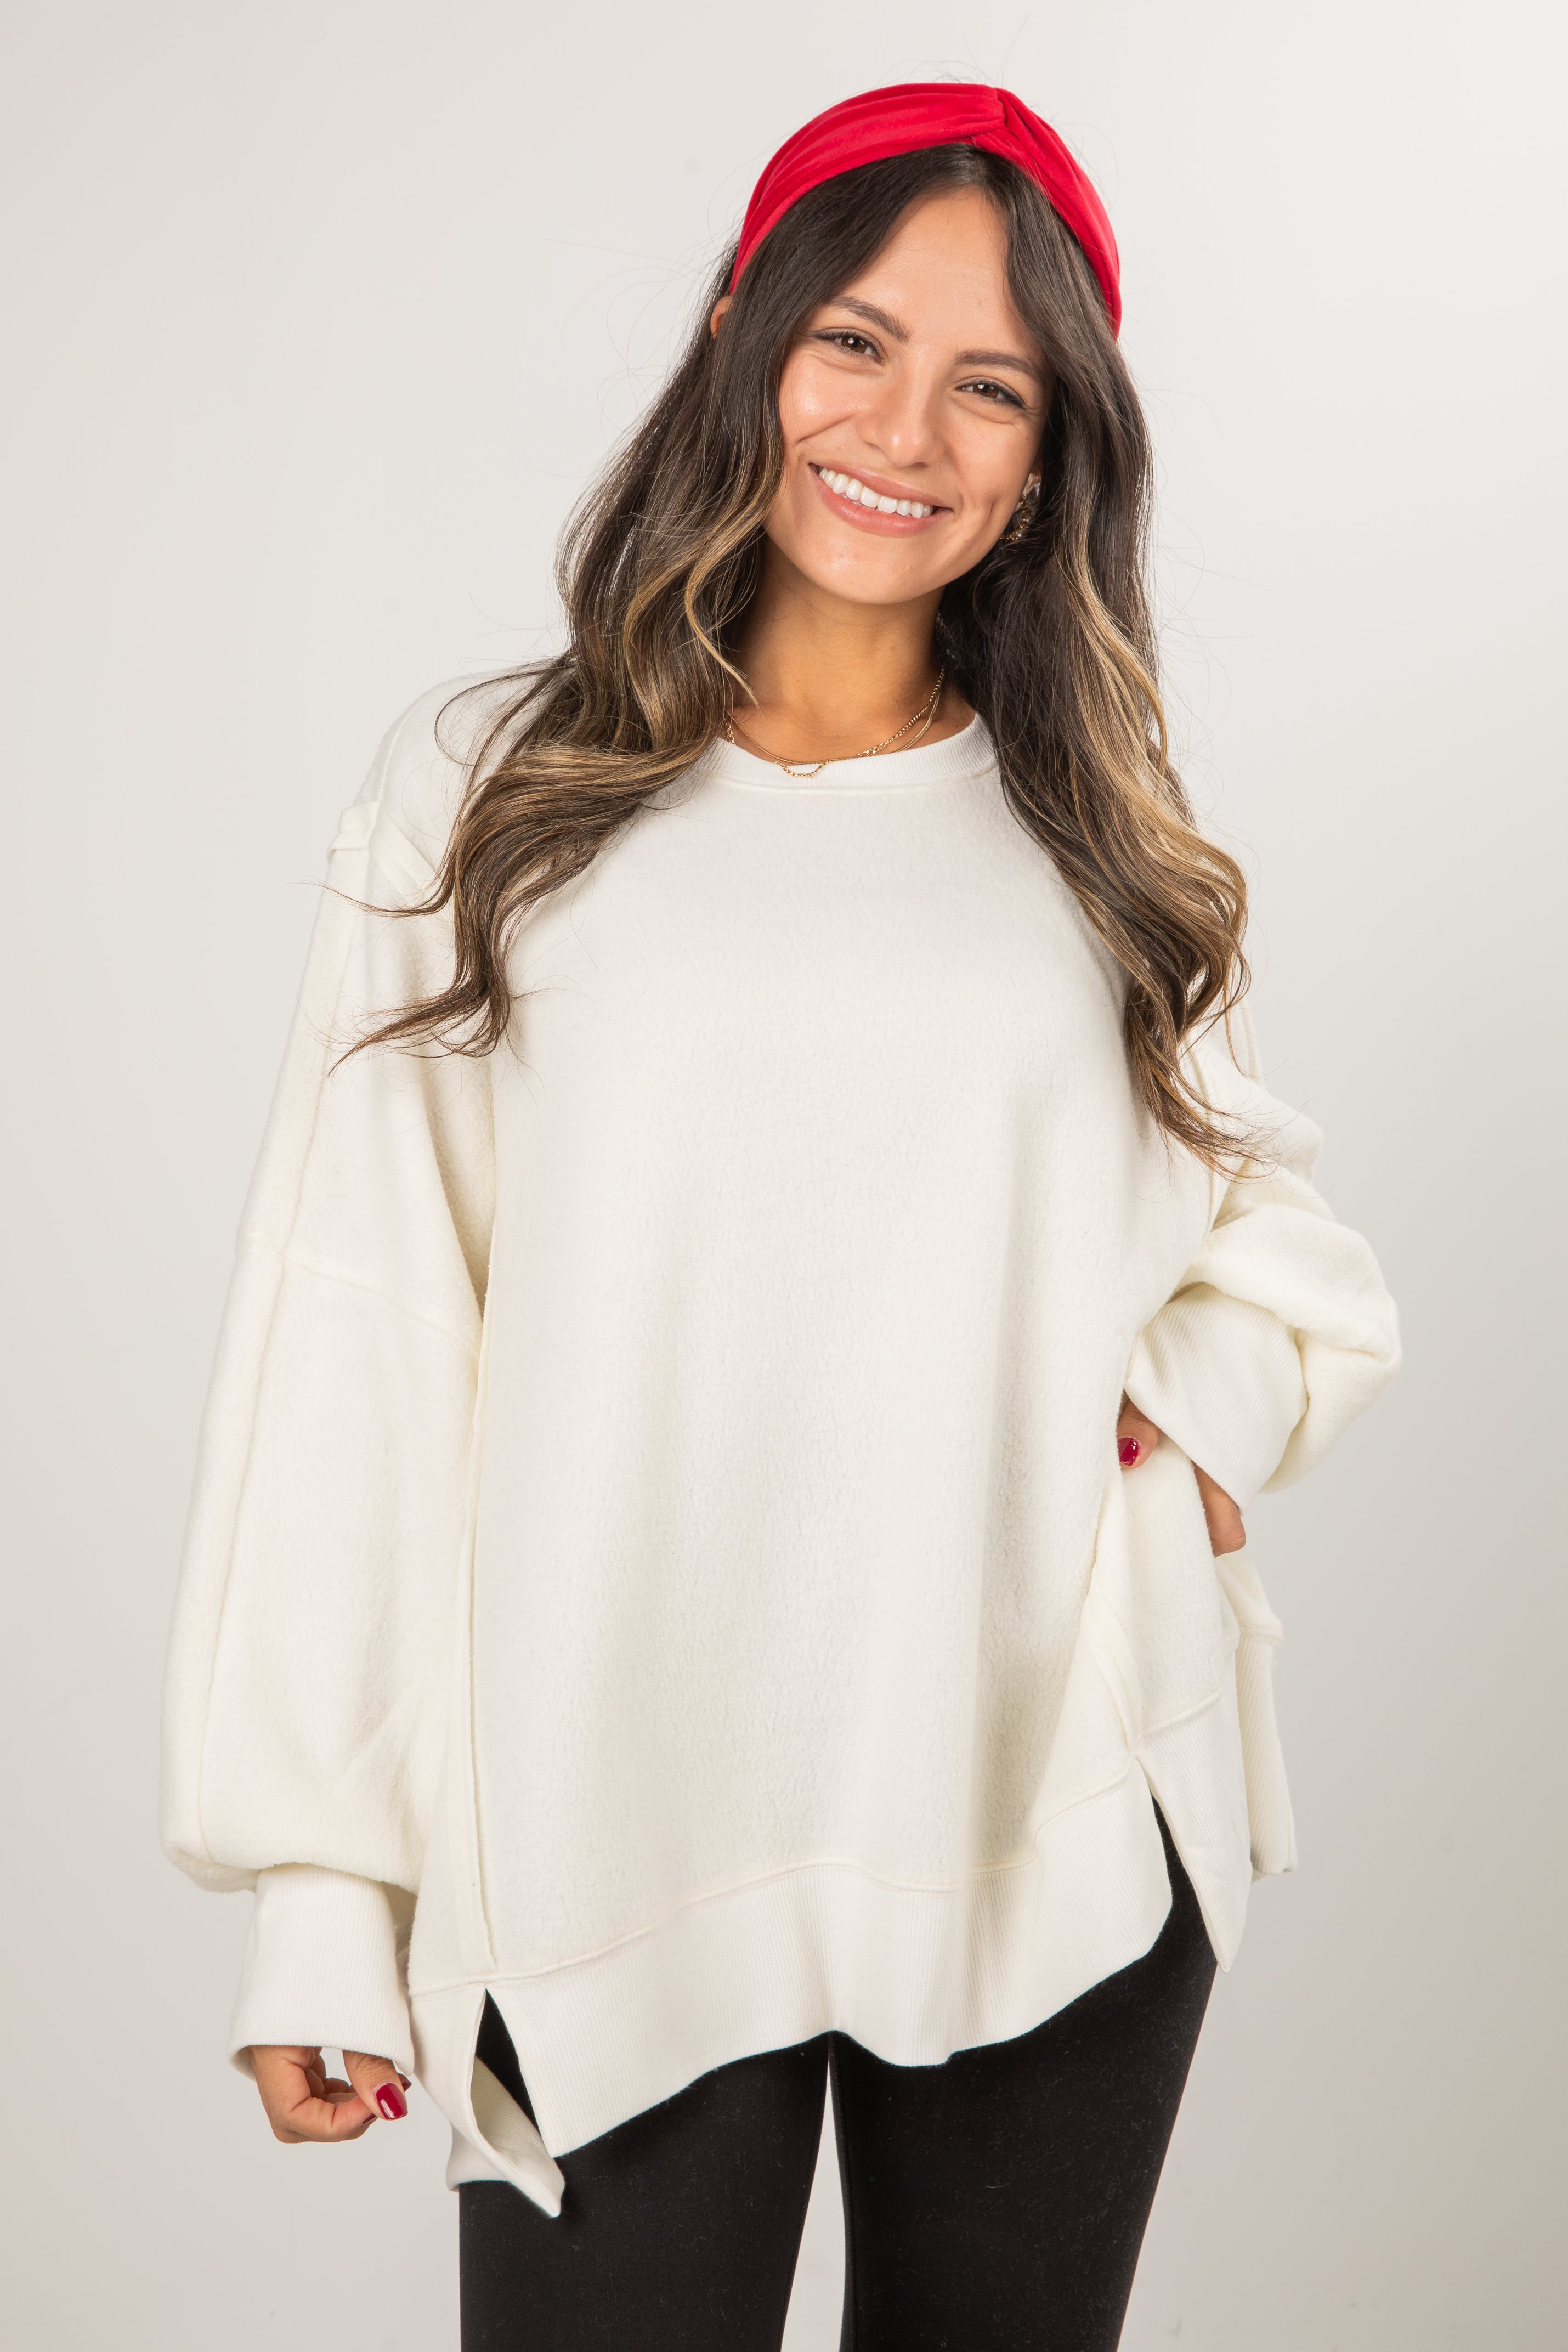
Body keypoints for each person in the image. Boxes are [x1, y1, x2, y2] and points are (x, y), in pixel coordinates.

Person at [160, 81, 1400, 2351]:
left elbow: (1290, 1260)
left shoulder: (1089, 830)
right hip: (606, 1838)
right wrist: (326, 1899)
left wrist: (1173, 1422)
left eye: (989, 385)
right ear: (743, 332)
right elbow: (354, 1347)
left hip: (1055, 1816)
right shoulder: (482, 799)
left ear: (1047, 458)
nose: (905, 429)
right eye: (854, 340)